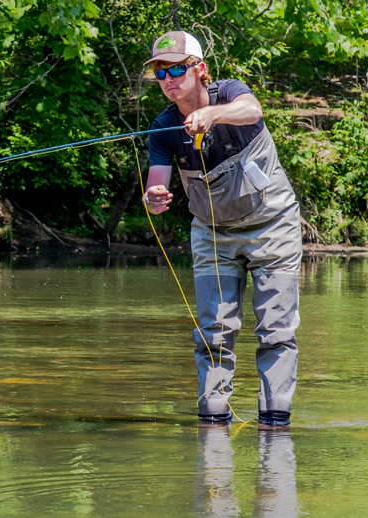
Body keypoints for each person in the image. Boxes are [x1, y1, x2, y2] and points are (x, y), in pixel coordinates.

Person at [142, 31, 302, 428]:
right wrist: (154, 197)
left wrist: (213, 114)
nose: (169, 79)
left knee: (276, 330)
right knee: (213, 332)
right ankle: (213, 424)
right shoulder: (163, 129)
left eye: (177, 68)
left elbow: (253, 109)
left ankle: (275, 423)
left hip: (273, 226)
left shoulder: (230, 92)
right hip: (213, 234)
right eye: (161, 74)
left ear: (200, 70)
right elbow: (156, 179)